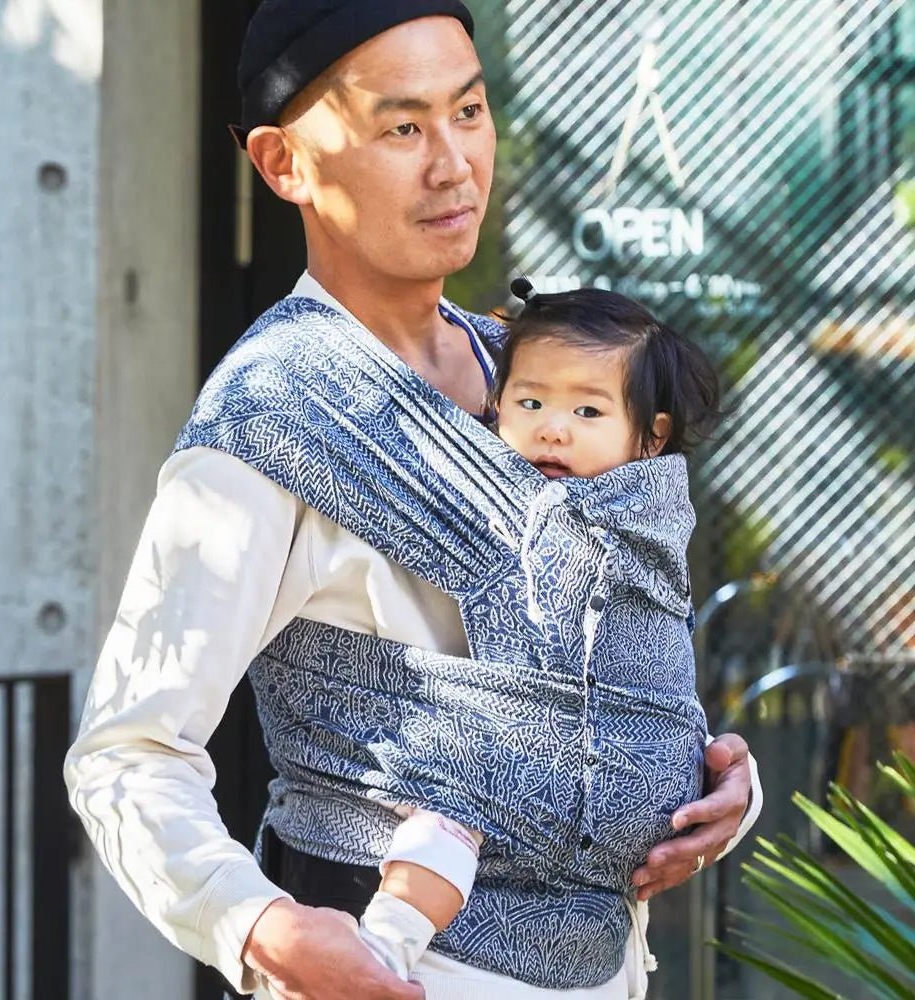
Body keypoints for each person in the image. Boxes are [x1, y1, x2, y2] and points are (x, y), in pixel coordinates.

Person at [64, 4, 762, 999]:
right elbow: (127, 753)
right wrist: (257, 925)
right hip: (394, 961)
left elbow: (615, 636)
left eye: (468, 112)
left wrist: (712, 784)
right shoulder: (271, 421)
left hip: (604, 965)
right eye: (402, 127)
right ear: (283, 164)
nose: (454, 164)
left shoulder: (532, 376)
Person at [354, 280, 731, 987]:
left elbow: (658, 649)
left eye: (587, 411)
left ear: (650, 436)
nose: (553, 429)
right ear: (497, 405)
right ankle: (382, 951)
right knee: (442, 826)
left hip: (613, 905)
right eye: (530, 404)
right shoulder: (492, 496)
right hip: (502, 773)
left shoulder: (650, 518)